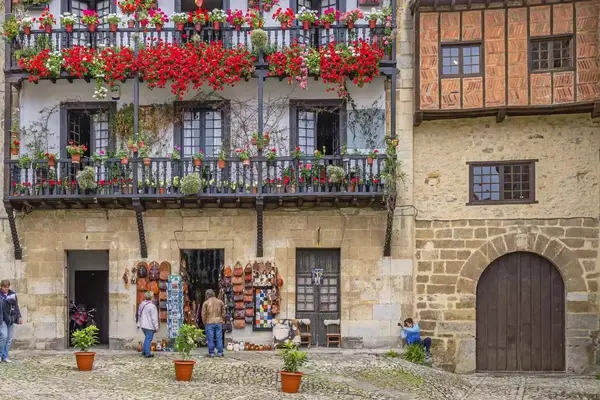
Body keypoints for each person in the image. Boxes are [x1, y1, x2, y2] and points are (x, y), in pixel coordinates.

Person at [0, 280, 22, 363]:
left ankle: (5, 356)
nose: (6, 288)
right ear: (1, 286)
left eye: (7, 286)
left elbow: (16, 307)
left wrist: (19, 317)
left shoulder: (12, 295)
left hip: (11, 319)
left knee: (9, 339)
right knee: (4, 337)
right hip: (2, 319)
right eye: (4, 287)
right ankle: (0, 354)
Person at [201, 289, 225, 358]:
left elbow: (203, 314)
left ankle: (211, 353)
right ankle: (220, 353)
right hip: (218, 321)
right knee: (219, 337)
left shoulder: (206, 303)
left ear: (207, 295)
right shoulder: (220, 302)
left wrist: (204, 322)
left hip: (209, 322)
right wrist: (222, 319)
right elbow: (223, 312)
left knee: (210, 338)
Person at [137, 291, 159, 358]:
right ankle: (147, 353)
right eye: (153, 296)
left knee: (147, 338)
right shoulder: (152, 306)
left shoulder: (142, 304)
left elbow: (139, 314)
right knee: (148, 339)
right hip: (149, 326)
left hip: (143, 325)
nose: (154, 297)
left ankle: (144, 350)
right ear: (151, 297)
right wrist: (156, 327)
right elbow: (154, 318)